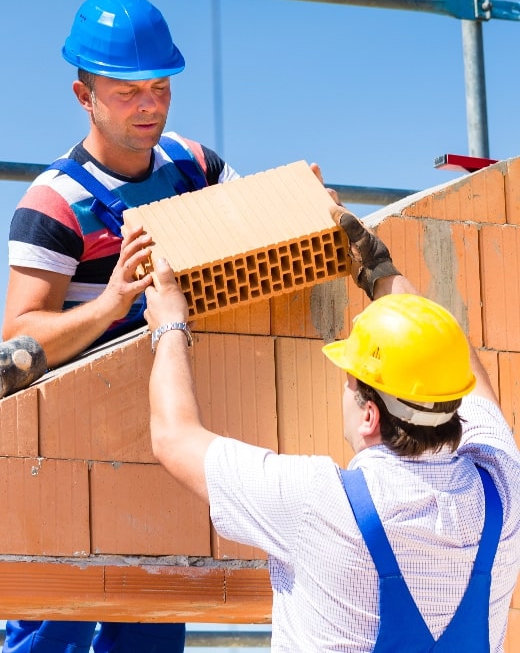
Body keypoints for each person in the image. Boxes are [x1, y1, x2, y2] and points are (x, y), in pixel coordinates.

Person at [145, 205, 520, 652]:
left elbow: (174, 436)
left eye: (348, 381)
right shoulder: (503, 488)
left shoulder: (318, 504)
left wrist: (169, 322)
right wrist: (382, 274)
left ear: (369, 416)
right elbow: (463, 372)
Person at [2, 0, 239, 653]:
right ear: (85, 96)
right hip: (71, 447)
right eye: (128, 91)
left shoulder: (195, 169)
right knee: (56, 627)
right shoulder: (54, 202)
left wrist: (306, 206)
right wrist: (109, 306)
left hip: (161, 443)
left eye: (160, 87)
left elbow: (256, 235)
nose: (150, 106)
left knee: (151, 628)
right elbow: (17, 335)